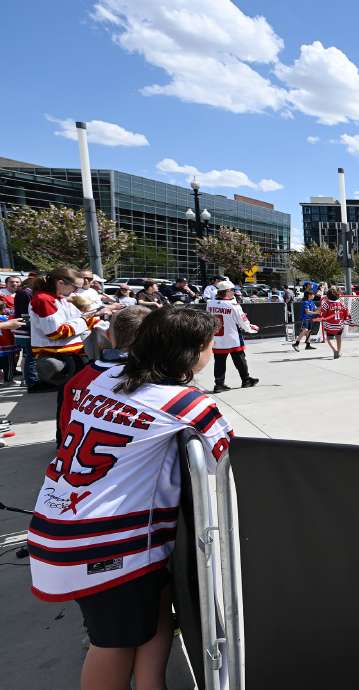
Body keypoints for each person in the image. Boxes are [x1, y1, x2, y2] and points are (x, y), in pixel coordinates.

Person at [29, 307, 233, 690]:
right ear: (192, 353)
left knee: (152, 615)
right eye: (209, 345)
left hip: (66, 526)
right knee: (113, 645)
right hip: (102, 542)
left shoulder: (103, 378)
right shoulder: (184, 402)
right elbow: (222, 451)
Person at [30, 268, 119, 428]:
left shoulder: (58, 298)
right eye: (74, 287)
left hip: (73, 356)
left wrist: (94, 316)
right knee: (68, 401)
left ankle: (69, 437)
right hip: (63, 358)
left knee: (75, 399)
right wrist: (89, 319)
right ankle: (64, 438)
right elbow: (56, 332)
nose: (76, 291)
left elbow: (77, 320)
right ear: (61, 283)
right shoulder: (44, 299)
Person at [207, 280, 259, 392]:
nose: (234, 293)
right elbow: (243, 322)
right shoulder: (233, 305)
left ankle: (219, 384)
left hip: (218, 338)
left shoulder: (210, 303)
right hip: (232, 337)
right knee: (240, 360)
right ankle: (246, 380)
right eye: (232, 290)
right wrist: (252, 328)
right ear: (226, 291)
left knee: (219, 362)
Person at [318, 290, 351, 359]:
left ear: (328, 296)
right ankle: (338, 352)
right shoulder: (342, 303)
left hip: (330, 325)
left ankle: (335, 350)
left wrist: (321, 318)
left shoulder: (326, 304)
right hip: (339, 325)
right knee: (338, 337)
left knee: (329, 338)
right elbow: (346, 312)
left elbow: (322, 313)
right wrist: (347, 320)